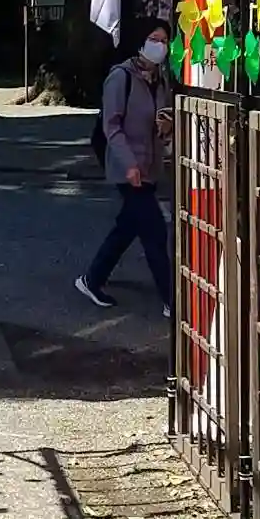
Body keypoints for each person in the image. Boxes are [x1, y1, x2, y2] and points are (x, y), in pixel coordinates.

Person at [75, 20, 175, 315]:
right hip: (127, 168)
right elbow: (112, 125)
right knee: (154, 230)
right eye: (154, 39)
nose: (160, 46)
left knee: (128, 226)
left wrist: (167, 126)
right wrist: (129, 164)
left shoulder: (161, 80)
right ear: (141, 42)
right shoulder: (121, 77)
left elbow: (163, 117)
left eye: (164, 41)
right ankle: (171, 300)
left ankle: (92, 279)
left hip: (150, 167)